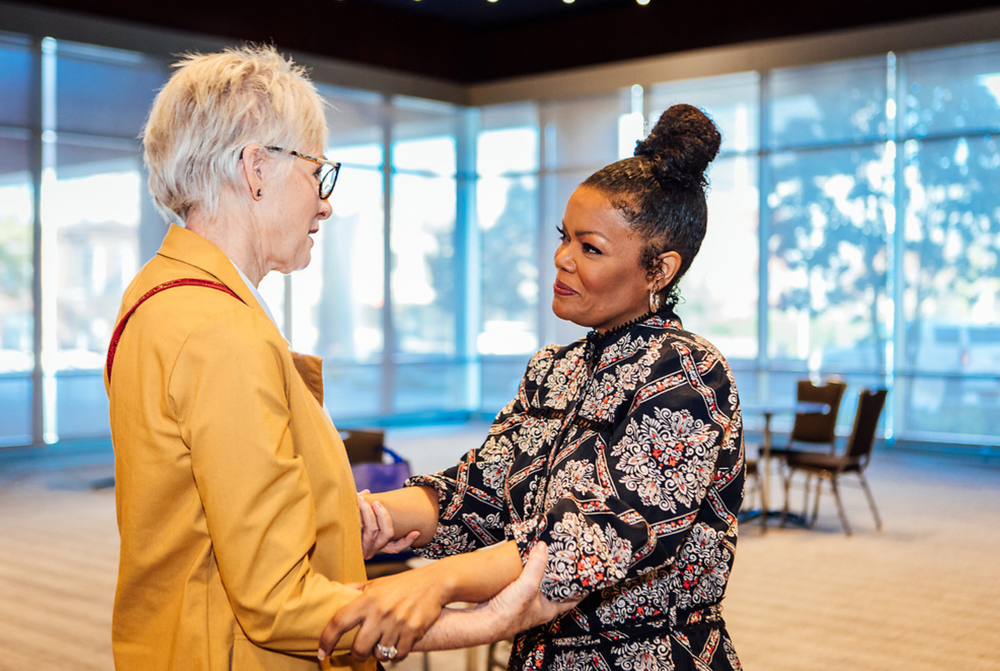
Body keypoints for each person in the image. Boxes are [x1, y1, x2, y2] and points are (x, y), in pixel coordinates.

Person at [105, 45, 564, 671]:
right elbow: (276, 601)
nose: (325, 203)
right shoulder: (220, 333)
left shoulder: (158, 296)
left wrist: (331, 518)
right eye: (316, 171)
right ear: (256, 168)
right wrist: (481, 622)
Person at [320, 104, 745, 670]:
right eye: (563, 237)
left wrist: (439, 582)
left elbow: (598, 536)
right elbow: (483, 495)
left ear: (659, 270)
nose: (561, 259)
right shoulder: (552, 368)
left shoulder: (687, 373)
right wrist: (371, 518)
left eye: (589, 248)